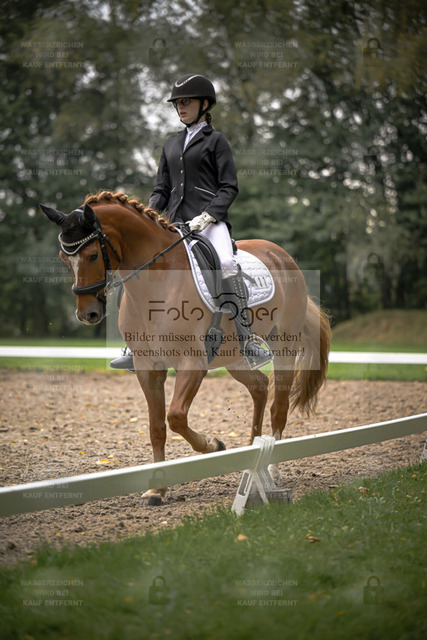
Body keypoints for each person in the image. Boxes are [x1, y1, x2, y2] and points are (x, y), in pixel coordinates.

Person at [110, 73, 273, 372]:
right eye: (177, 103)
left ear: (204, 104)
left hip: (209, 222)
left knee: (226, 262)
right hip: (173, 224)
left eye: (186, 102)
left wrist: (208, 216)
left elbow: (229, 187)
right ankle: (135, 344)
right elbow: (161, 189)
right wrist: (149, 215)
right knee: (139, 268)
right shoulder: (171, 144)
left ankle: (247, 339)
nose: (180, 107)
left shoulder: (216, 141)